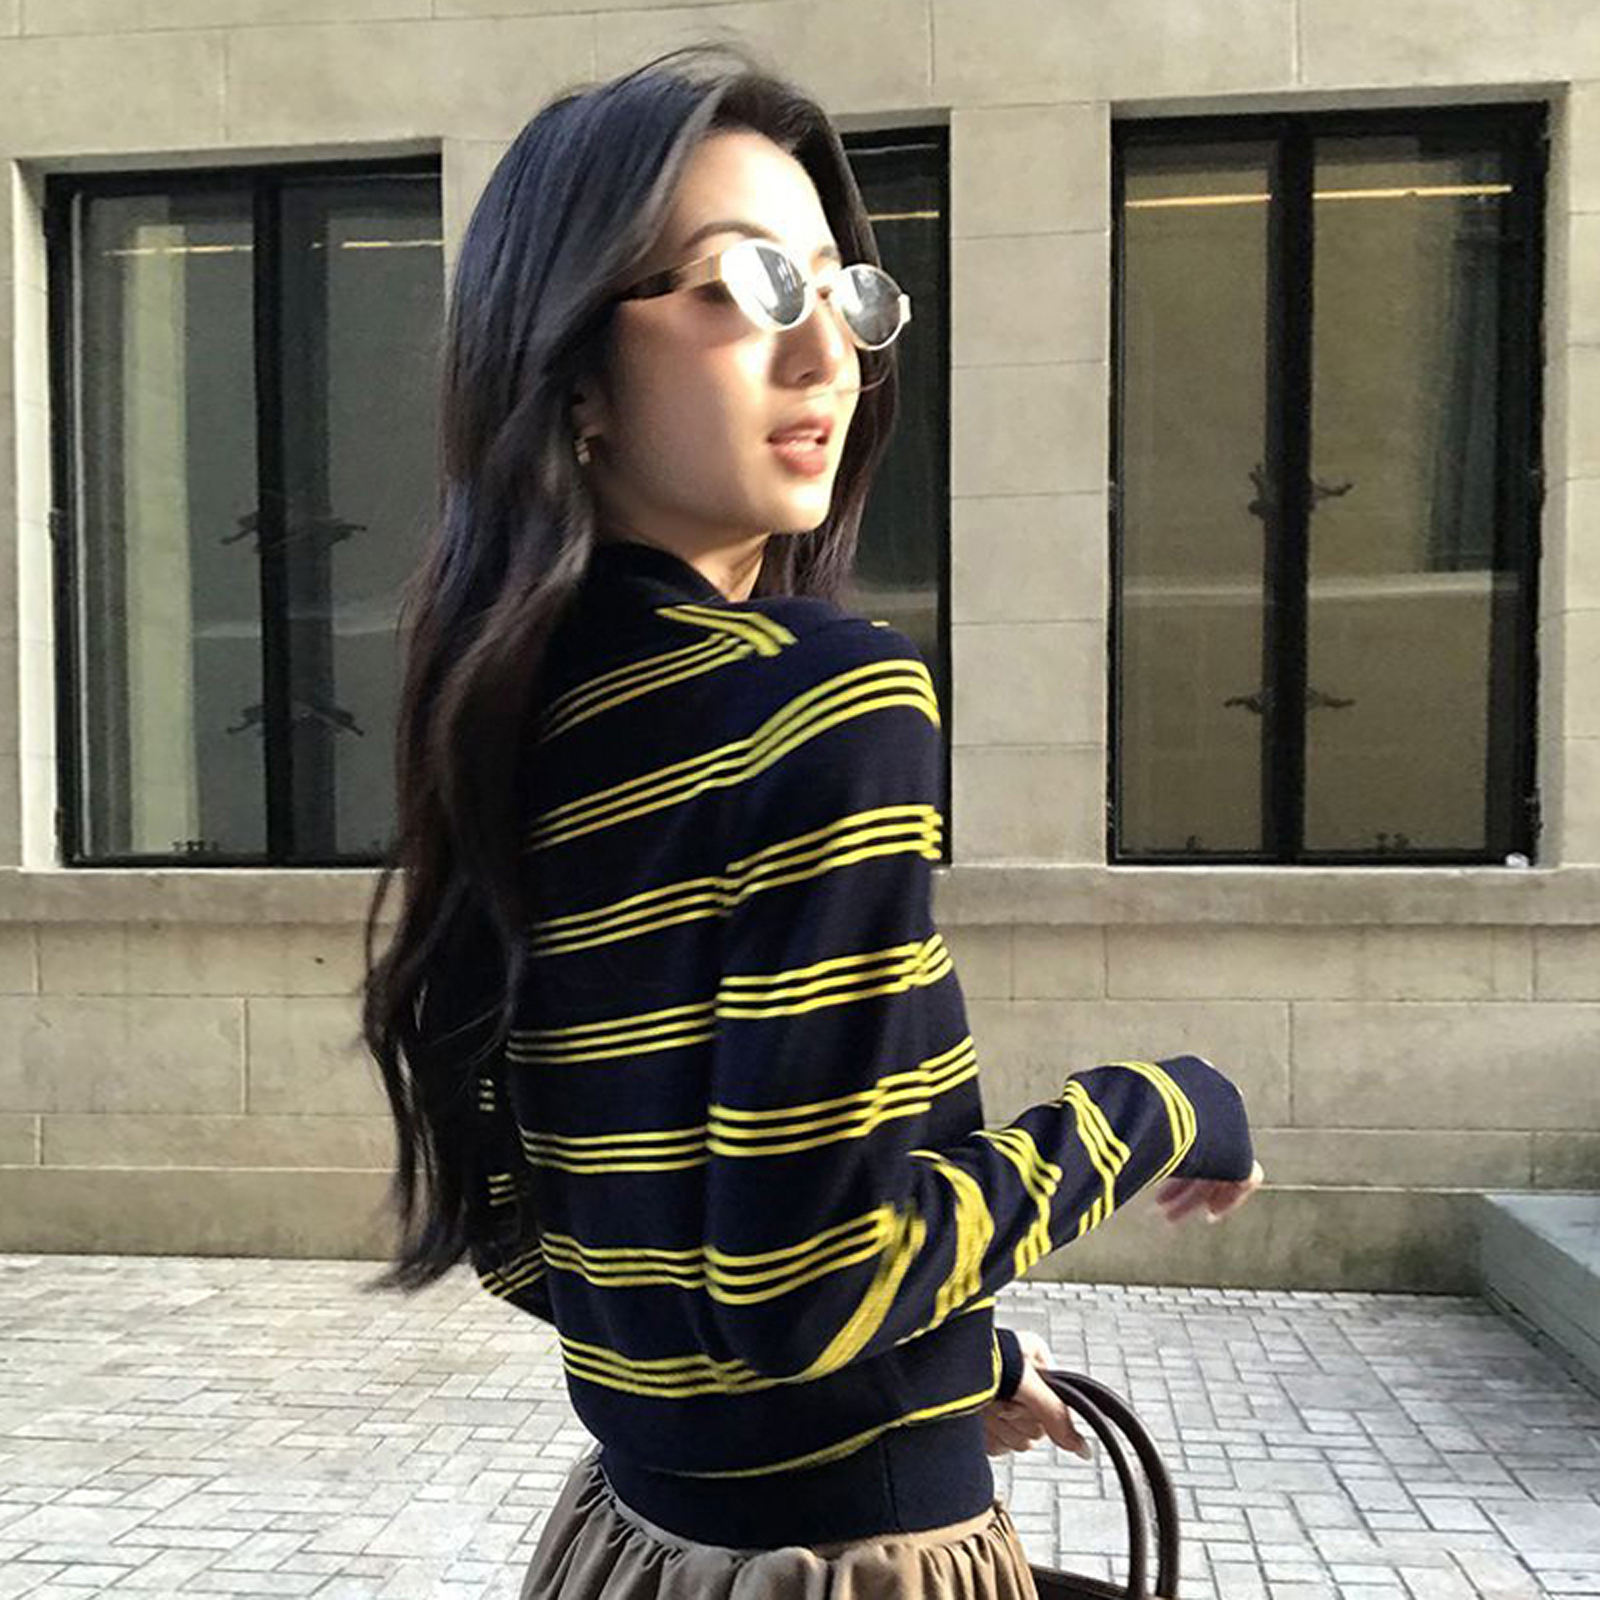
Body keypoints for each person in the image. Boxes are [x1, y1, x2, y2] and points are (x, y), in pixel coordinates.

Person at [360, 42, 1264, 1600]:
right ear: (573, 371)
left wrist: (953, 1367)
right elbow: (811, 1281)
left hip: (635, 1549)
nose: (825, 350)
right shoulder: (823, 697)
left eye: (843, 294)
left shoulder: (512, 712)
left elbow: (538, 1240)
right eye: (747, 286)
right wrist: (1165, 1110)